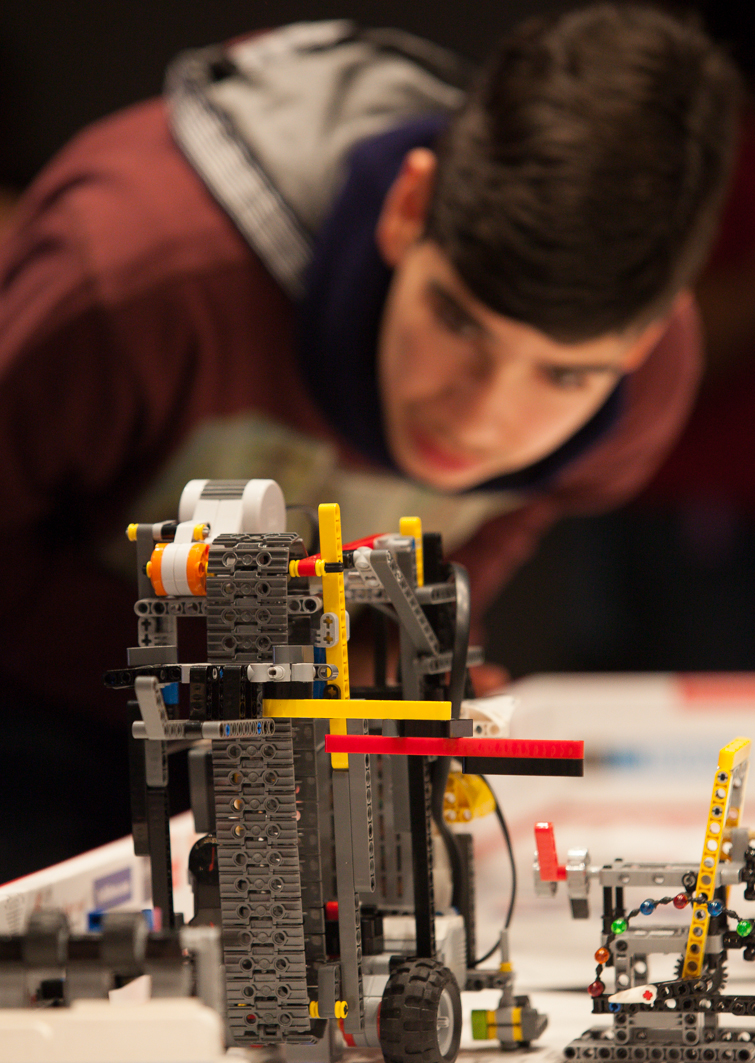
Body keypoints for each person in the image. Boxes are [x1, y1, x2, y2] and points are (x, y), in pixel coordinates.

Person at [0, 5, 741, 878]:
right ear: (410, 206)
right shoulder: (137, 279)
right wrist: (268, 673)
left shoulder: (643, 389)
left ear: (647, 337)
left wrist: (392, 653)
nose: (483, 419)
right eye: (458, 321)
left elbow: (513, 514)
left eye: (564, 375)